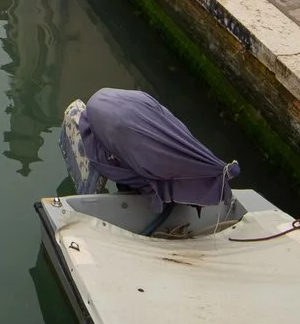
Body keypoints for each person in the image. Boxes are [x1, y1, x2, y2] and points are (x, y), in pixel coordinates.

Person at [58, 88, 241, 238]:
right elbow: (149, 180)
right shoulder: (153, 160)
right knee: (141, 175)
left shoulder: (177, 138)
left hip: (109, 103)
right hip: (114, 120)